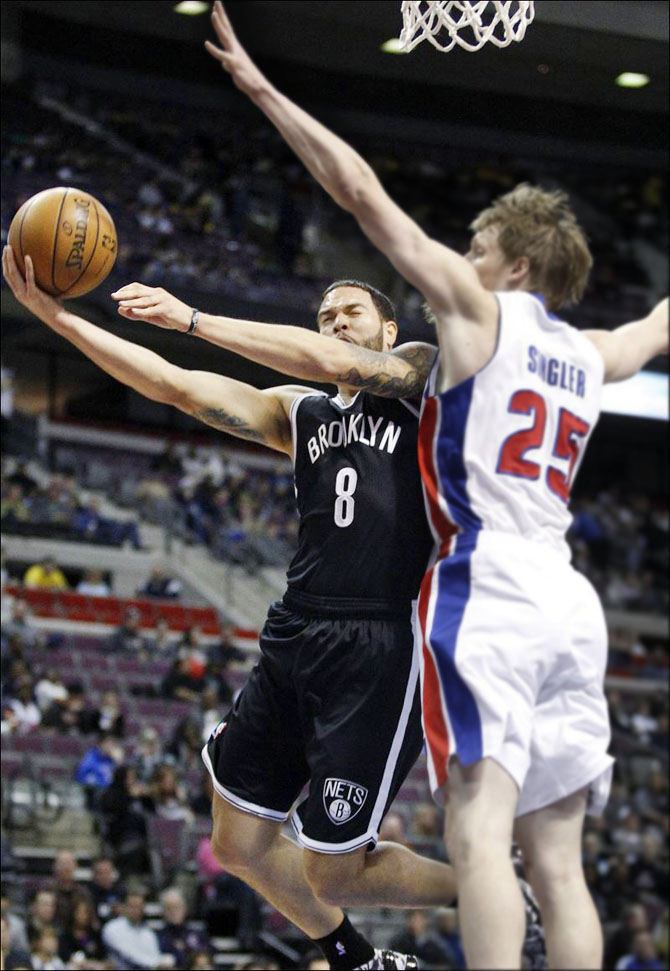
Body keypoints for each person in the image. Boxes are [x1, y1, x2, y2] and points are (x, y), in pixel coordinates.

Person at [198, 6, 669, 968]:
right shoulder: (591, 349)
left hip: (486, 586)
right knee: (561, 864)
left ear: (516, 265)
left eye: (478, 244)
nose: (462, 256)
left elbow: (360, 191)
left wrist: (262, 89)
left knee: (479, 835)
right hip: (574, 602)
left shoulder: (472, 319)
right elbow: (657, 324)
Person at [3, 252, 455, 971]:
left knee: (331, 870)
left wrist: (190, 317)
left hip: (379, 636)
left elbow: (326, 357)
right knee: (236, 845)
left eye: (351, 313)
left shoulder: (420, 377)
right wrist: (60, 319)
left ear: (389, 327)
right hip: (296, 627)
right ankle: (357, 958)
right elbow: (177, 385)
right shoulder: (301, 412)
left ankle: (495, 889)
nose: (337, 323)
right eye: (327, 315)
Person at [101, 890, 172, 970]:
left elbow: (155, 955)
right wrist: (155, 964)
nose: (135, 910)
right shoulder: (112, 928)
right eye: (132, 906)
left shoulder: (147, 932)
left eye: (139, 906)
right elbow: (128, 954)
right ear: (124, 907)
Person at [157, 887, 211, 969]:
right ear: (163, 912)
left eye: (176, 907)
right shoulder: (157, 936)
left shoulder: (198, 933)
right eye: (169, 908)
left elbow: (210, 953)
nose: (173, 911)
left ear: (184, 909)